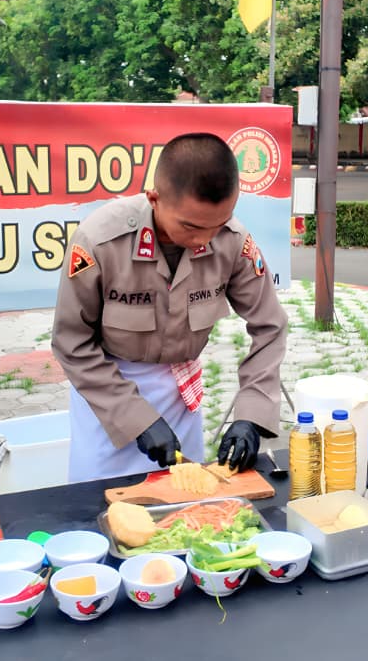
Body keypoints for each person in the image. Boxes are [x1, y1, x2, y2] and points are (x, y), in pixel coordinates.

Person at [51, 132, 287, 482]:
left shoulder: (232, 241)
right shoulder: (100, 242)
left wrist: (251, 414)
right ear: (154, 199)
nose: (204, 240)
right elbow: (71, 342)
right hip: (108, 394)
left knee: (186, 497)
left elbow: (270, 326)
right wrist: (135, 418)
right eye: (191, 226)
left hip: (180, 393)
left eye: (218, 224)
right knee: (101, 501)